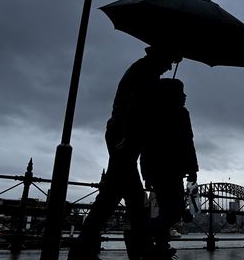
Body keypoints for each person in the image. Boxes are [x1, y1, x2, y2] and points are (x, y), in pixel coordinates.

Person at [68, 47, 182, 260]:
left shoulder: (145, 69)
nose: (170, 67)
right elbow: (136, 107)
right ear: (161, 55)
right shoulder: (146, 71)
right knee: (132, 197)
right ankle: (139, 250)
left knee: (113, 195)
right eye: (171, 61)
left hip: (123, 134)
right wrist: (129, 138)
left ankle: (84, 250)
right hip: (124, 135)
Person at [140, 78, 199, 260]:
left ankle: (160, 246)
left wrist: (147, 173)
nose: (185, 96)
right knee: (175, 211)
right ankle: (143, 234)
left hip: (157, 170)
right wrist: (193, 168)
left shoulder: (151, 113)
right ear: (172, 96)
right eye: (181, 93)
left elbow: (146, 147)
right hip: (172, 171)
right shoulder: (181, 114)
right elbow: (188, 142)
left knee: (167, 209)